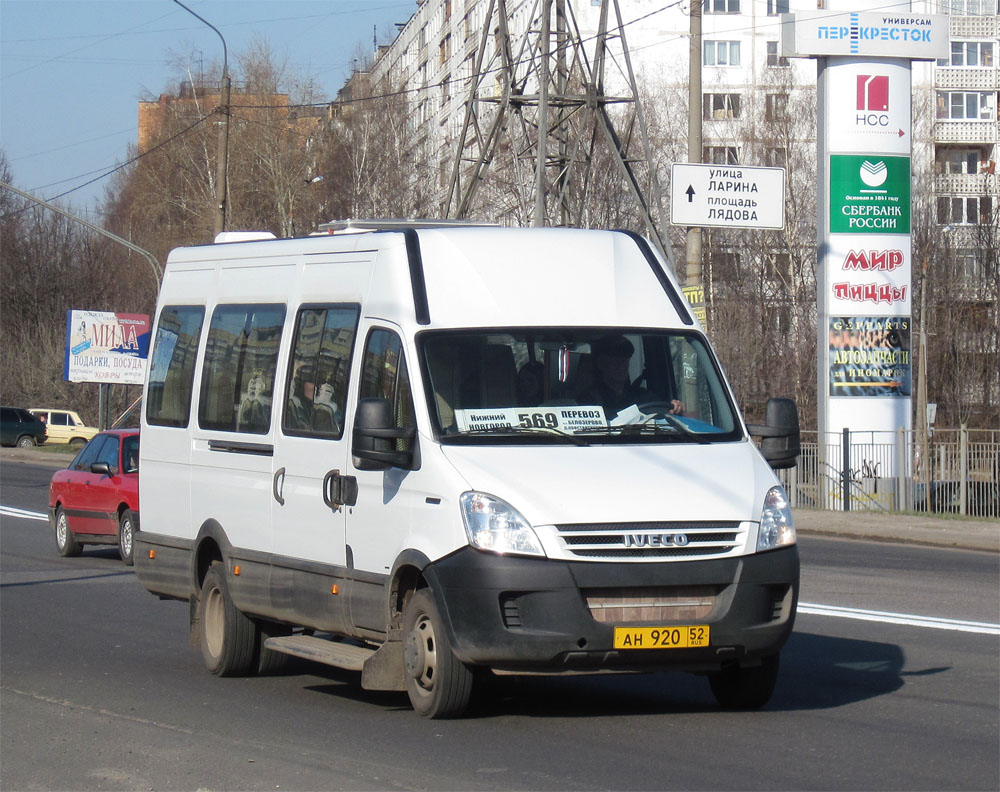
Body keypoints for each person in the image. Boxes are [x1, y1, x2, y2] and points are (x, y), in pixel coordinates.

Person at [580, 335, 684, 417]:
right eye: (615, 361)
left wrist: (674, 408)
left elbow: (662, 411)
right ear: (601, 364)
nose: (620, 366)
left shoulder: (643, 397)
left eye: (624, 361)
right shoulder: (589, 400)